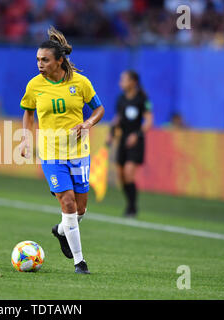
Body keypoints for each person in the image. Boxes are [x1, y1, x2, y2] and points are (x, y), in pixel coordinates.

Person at [19, 26, 105, 274]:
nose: (39, 64)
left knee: (80, 210)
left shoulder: (80, 83)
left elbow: (99, 109)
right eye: (37, 59)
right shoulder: (34, 85)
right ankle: (80, 262)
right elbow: (28, 112)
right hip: (51, 154)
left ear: (59, 61)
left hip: (79, 153)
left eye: (44, 60)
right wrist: (26, 139)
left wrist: (88, 123)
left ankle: (60, 230)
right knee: (67, 204)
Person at [106, 70, 153, 218]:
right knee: (121, 176)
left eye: (124, 80)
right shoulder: (121, 99)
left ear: (133, 82)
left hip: (136, 142)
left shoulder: (142, 99)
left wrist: (137, 135)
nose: (121, 82)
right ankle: (130, 205)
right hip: (123, 140)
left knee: (128, 173)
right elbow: (118, 118)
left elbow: (149, 121)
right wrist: (111, 134)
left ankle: (132, 208)